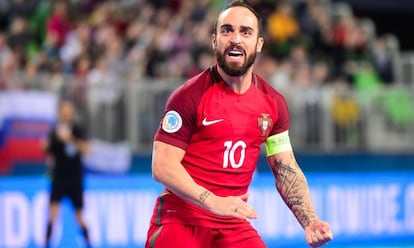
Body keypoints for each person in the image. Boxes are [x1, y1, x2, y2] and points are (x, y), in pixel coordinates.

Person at [145, 1, 333, 247]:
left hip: (232, 223)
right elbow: (162, 165)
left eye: (245, 32)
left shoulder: (272, 103)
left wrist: (310, 221)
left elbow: (285, 166)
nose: (235, 38)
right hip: (181, 219)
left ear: (259, 44)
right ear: (214, 41)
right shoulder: (188, 96)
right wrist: (212, 200)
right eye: (227, 30)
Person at [44, 100, 91, 247]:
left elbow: (87, 149)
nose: (67, 115)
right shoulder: (54, 132)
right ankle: (46, 243)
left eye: (69, 112)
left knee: (79, 216)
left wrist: (70, 139)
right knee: (52, 215)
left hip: (74, 178)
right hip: (58, 178)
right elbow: (47, 151)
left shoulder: (77, 130)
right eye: (64, 112)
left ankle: (89, 243)